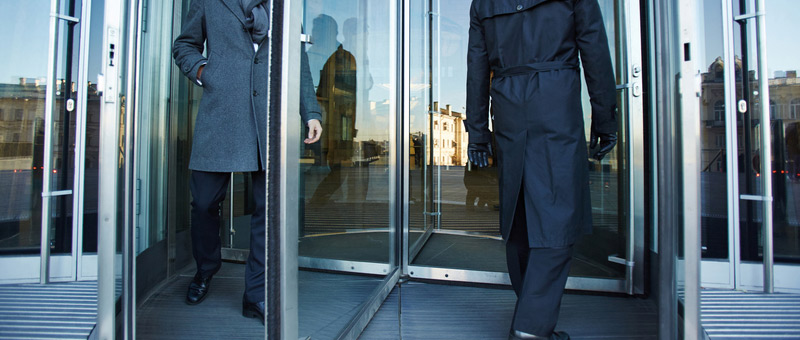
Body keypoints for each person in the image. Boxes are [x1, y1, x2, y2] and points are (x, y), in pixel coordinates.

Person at [465, 1, 617, 339]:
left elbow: (476, 65)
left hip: (505, 101)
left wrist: (477, 132)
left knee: (519, 210)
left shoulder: (483, 2)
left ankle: (530, 312)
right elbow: (593, 47)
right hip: (555, 98)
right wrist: (605, 117)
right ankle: (531, 328)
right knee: (559, 210)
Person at [172, 0, 323, 324]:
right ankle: (205, 269)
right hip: (220, 114)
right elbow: (185, 44)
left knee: (265, 212)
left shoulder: (283, 6)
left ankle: (256, 295)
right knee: (203, 204)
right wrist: (203, 71)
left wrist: (310, 111)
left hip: (268, 117)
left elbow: (298, 60)